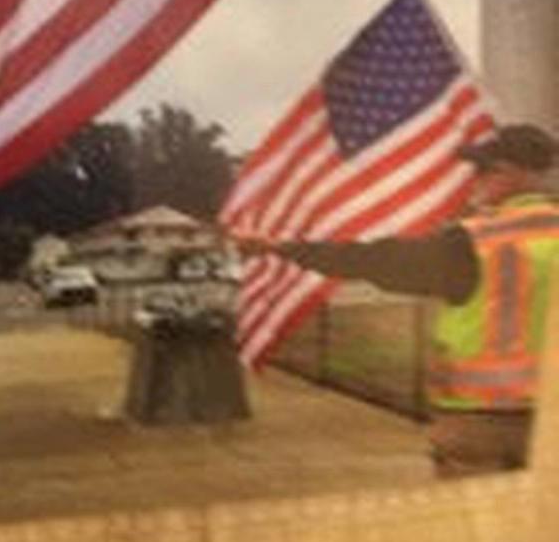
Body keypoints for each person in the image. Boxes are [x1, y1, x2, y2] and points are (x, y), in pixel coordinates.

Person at [234, 123, 559, 479]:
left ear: (507, 172)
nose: (474, 181)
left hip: (479, 422)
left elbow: (372, 260)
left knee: (478, 530)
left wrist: (278, 247)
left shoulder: (474, 243)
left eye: (481, 170)